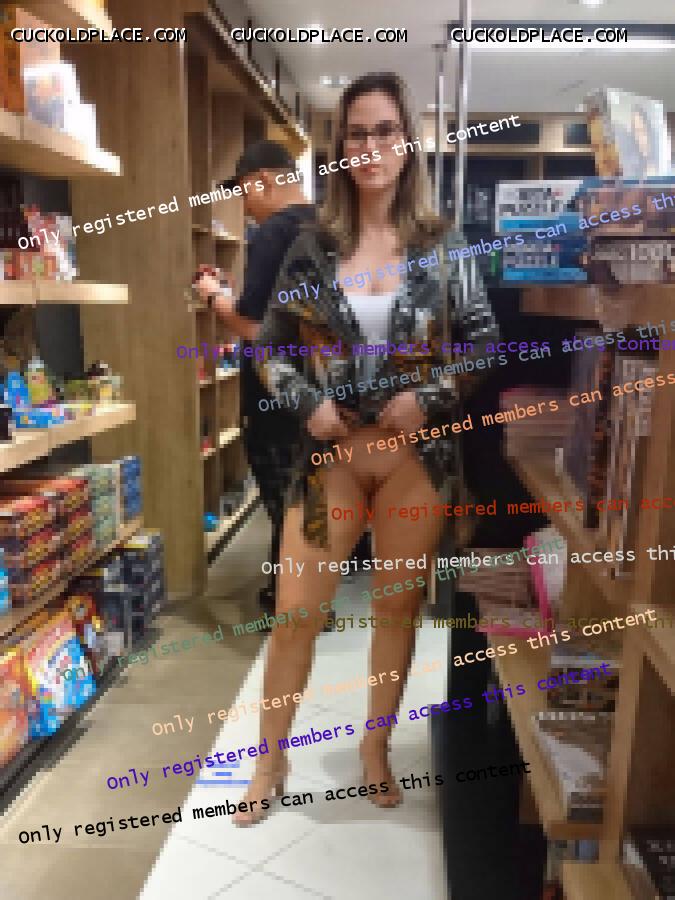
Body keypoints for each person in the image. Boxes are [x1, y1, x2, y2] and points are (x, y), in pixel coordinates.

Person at [233, 72, 500, 826]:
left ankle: (375, 750)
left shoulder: (442, 244)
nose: (371, 147)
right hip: (332, 464)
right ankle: (269, 760)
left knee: (396, 611)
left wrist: (432, 397)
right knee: (295, 615)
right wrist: (306, 401)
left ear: (406, 143)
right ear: (340, 147)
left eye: (385, 131)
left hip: (415, 465)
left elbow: (483, 342)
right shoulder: (312, 245)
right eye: (357, 133)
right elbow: (270, 348)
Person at [195, 141, 314, 613]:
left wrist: (212, 295)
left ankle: (294, 606)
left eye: (244, 192)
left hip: (277, 394)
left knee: (285, 501)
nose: (244, 205)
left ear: (262, 180)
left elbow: (254, 328)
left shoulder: (273, 233)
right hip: (325, 392)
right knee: (310, 501)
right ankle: (306, 597)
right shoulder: (329, 226)